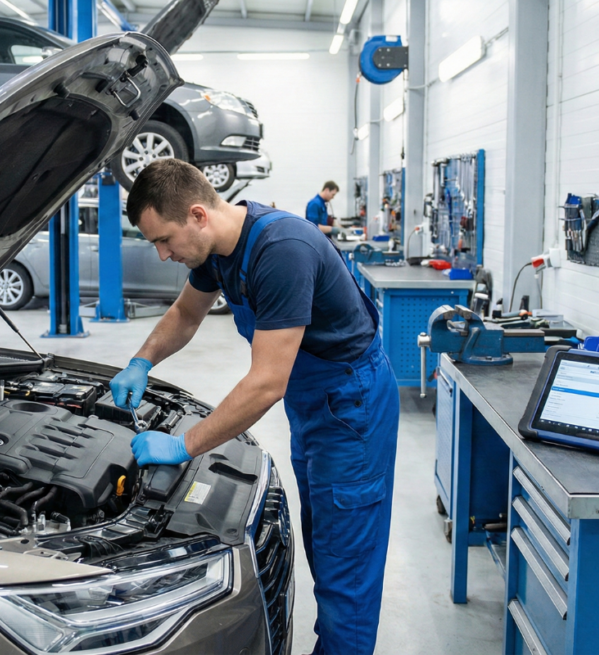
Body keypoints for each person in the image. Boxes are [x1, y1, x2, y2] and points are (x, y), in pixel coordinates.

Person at [109, 159, 399, 655]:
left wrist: (184, 445)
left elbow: (266, 383)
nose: (162, 254)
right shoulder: (215, 251)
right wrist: (142, 361)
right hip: (315, 407)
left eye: (164, 240)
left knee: (346, 571)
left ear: (198, 215)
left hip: (352, 408)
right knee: (324, 542)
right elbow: (186, 313)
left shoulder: (281, 251)